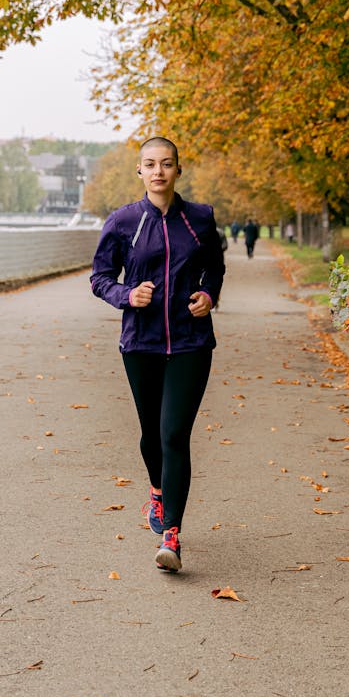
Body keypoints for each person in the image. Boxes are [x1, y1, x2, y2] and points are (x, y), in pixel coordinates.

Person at [90, 137, 225, 573]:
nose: (158, 172)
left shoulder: (200, 218)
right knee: (151, 435)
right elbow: (100, 277)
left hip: (190, 343)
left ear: (178, 171)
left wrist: (208, 293)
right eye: (150, 164)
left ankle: (171, 535)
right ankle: (156, 489)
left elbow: (214, 267)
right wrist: (129, 295)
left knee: (173, 435)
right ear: (140, 171)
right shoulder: (124, 221)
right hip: (142, 343)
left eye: (167, 164)